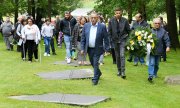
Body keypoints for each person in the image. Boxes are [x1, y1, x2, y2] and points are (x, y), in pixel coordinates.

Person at [81, 12, 109, 85]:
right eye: (92, 18)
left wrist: (107, 49)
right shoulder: (86, 26)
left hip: (98, 48)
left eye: (95, 18)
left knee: (96, 63)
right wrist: (82, 48)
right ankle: (98, 73)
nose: (93, 19)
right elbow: (83, 38)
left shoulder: (102, 26)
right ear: (90, 18)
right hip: (89, 49)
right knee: (92, 62)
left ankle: (95, 79)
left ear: (97, 18)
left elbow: (106, 38)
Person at [108, 8, 131, 79]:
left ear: (121, 13)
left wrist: (128, 40)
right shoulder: (111, 21)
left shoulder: (125, 20)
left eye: (119, 13)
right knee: (117, 56)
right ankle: (119, 70)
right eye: (117, 13)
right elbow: (109, 32)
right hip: (115, 41)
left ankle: (123, 72)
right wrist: (110, 41)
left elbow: (129, 31)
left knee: (122, 55)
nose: (118, 14)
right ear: (115, 13)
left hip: (123, 40)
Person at [147, 18, 170, 82]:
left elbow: (167, 40)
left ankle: (154, 73)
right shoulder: (150, 31)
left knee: (156, 64)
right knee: (151, 63)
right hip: (151, 50)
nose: (157, 24)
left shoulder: (163, 31)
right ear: (153, 24)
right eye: (155, 23)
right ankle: (150, 76)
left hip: (159, 50)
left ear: (160, 24)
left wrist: (168, 46)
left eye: (158, 23)